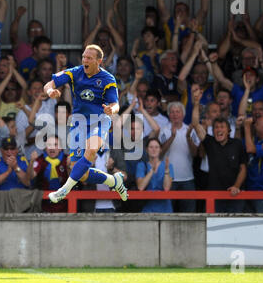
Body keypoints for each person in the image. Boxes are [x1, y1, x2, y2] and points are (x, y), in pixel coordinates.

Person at [43, 44, 128, 203]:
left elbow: (115, 104)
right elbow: (49, 84)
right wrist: (50, 92)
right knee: (81, 174)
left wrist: (112, 110)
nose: (85, 60)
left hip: (100, 121)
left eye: (89, 58)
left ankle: (64, 190)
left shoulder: (108, 79)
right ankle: (114, 181)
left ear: (99, 61)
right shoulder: (75, 72)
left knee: (91, 149)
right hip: (78, 123)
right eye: (83, 57)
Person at [192, 85, 248, 213]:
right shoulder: (210, 142)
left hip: (235, 195)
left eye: (222, 127)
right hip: (214, 197)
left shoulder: (237, 144)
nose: (219, 130)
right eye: (216, 127)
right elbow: (195, 124)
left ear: (229, 131)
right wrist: (196, 103)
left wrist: (236, 186)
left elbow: (243, 168)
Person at [160, 101, 199, 212]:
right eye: (172, 112)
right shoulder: (164, 130)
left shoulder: (190, 130)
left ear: (183, 114)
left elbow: (195, 153)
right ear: (168, 114)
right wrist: (172, 136)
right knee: (167, 213)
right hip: (168, 179)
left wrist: (188, 137)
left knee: (189, 214)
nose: (175, 114)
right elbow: (160, 153)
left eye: (178, 112)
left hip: (187, 178)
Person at [27, 135, 69, 213]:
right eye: (49, 145)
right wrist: (32, 162)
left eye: (55, 145)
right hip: (44, 207)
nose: (52, 148)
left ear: (60, 148)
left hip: (66, 205)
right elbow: (31, 176)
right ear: (45, 148)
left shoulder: (67, 159)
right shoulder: (40, 160)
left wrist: (70, 166)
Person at [136, 138, 174, 213]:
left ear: (160, 150)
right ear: (146, 149)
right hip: (148, 208)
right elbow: (140, 187)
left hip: (165, 208)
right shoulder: (141, 165)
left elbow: (166, 188)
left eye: (156, 147)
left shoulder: (168, 166)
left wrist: (166, 171)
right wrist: (151, 171)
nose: (154, 149)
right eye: (151, 147)